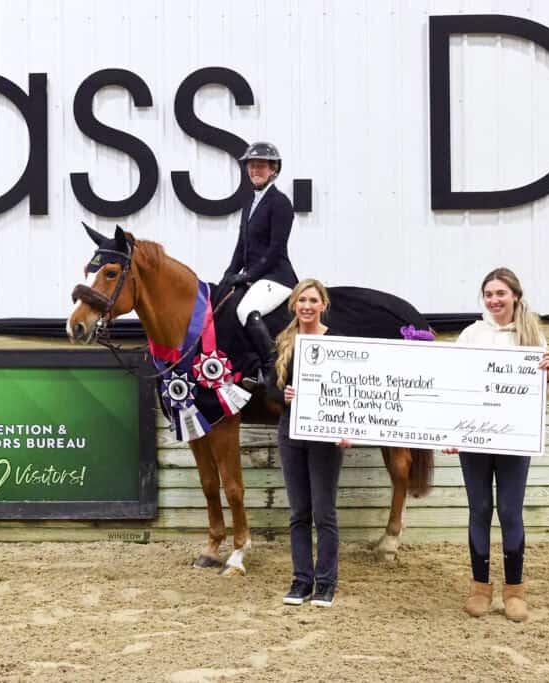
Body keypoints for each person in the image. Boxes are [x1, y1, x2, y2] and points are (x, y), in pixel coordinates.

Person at [444, 267, 549, 622]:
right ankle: (479, 588)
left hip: (513, 439)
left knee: (509, 511)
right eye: (489, 294)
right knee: (479, 509)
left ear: (515, 297)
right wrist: (450, 431)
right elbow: (452, 386)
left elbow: (546, 395)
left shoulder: (532, 336)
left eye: (500, 294)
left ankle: (514, 592)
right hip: (475, 439)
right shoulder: (471, 334)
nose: (494, 300)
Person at [266, 279, 349, 607]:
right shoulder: (285, 341)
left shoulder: (337, 342)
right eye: (302, 300)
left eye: (314, 300)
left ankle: (326, 583)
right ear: (294, 305)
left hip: (325, 438)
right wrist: (282, 395)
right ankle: (301, 580)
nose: (307, 306)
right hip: (291, 434)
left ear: (323, 305)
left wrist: (347, 427)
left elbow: (349, 391)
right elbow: (269, 389)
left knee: (324, 513)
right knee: (299, 512)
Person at [221, 141, 299, 327]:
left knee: (245, 310)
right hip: (256, 277)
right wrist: (230, 273)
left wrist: (247, 276)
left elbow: (275, 248)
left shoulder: (280, 202)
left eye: (261, 166)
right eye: (252, 166)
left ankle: (270, 357)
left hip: (276, 277)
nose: (255, 170)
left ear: (273, 170)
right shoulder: (249, 204)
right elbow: (242, 245)